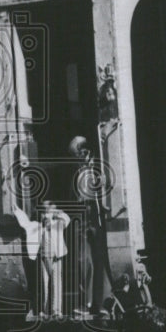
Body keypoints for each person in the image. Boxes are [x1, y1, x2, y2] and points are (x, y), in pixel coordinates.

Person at [69, 135, 114, 318]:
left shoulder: (98, 168)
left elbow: (104, 186)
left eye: (81, 152)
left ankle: (101, 303)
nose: (80, 156)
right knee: (84, 261)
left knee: (100, 259)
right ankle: (87, 303)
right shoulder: (77, 171)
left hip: (94, 217)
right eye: (77, 154)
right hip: (82, 219)